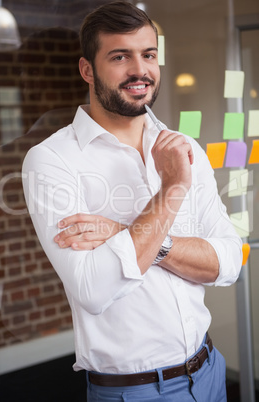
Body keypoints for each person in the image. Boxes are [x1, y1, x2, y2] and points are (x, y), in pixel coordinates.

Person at [22, 1, 242, 401]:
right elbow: (94, 289)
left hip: (210, 371)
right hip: (135, 392)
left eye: (149, 54)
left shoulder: (184, 147)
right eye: (120, 56)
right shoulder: (51, 160)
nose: (140, 70)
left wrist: (125, 235)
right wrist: (172, 189)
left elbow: (228, 263)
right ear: (87, 69)